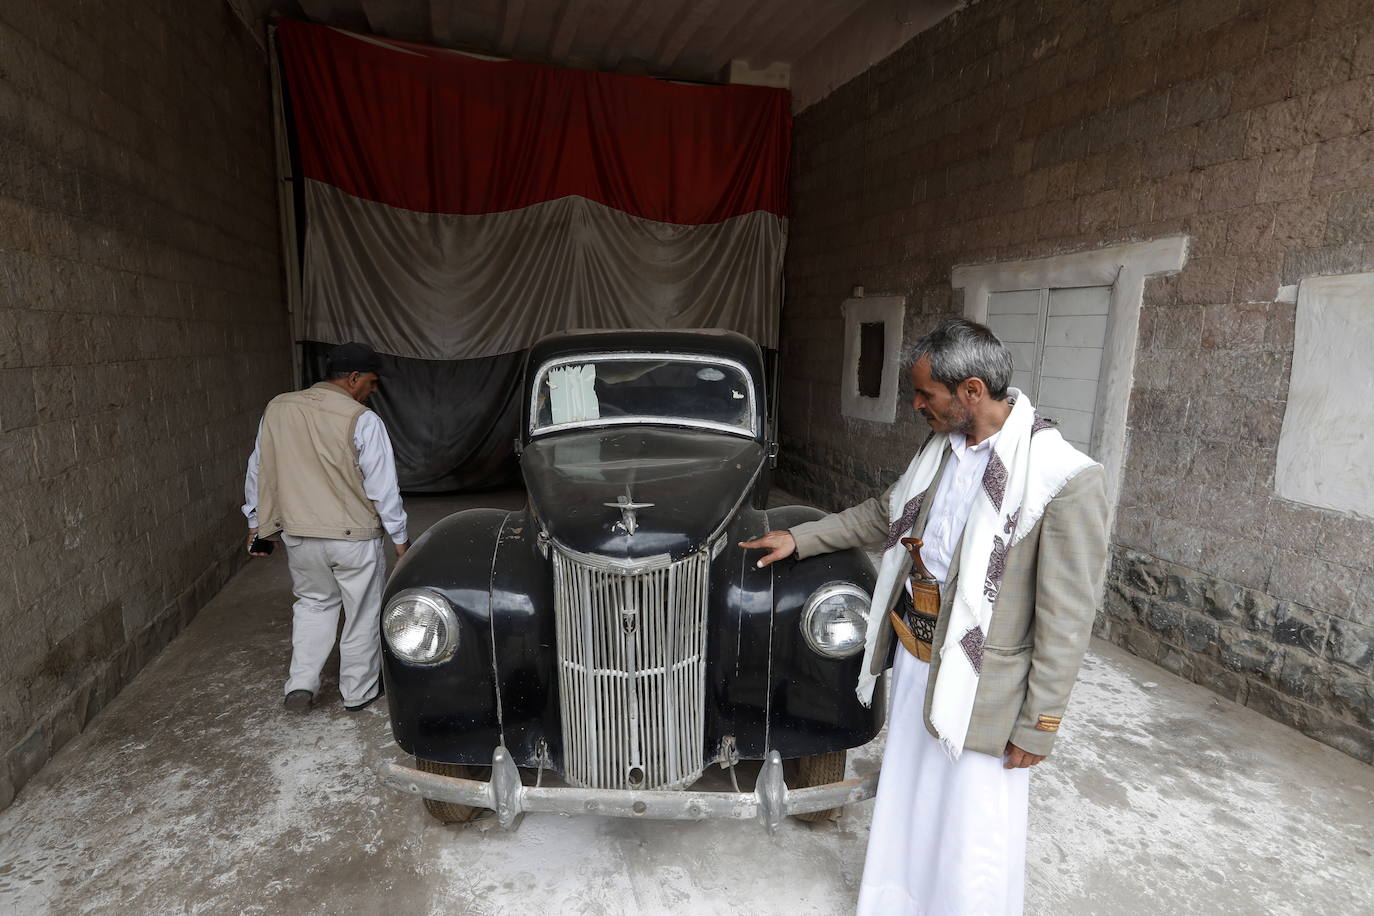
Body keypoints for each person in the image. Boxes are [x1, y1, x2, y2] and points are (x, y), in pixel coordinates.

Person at [741, 318, 1108, 914]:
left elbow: (1067, 616)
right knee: (913, 796)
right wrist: (800, 539)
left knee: (971, 822)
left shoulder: (1061, 477)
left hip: (985, 683)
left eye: (924, 394)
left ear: (970, 392)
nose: (915, 405)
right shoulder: (941, 450)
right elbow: (882, 516)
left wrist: (1040, 723)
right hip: (917, 659)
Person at [243, 342, 410, 713]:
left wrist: (256, 522)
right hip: (353, 538)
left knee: (313, 605)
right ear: (353, 378)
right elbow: (382, 488)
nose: (374, 390)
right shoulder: (362, 419)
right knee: (362, 611)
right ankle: (358, 691)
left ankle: (301, 684)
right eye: (372, 381)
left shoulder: (278, 409)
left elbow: (259, 469)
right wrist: (400, 539)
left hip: (300, 533)